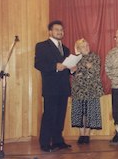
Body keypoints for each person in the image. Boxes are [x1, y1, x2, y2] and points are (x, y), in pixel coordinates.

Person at [34, 20, 72, 152]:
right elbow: (38, 64)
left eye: (61, 30)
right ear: (50, 31)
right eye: (57, 29)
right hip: (51, 87)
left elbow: (67, 68)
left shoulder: (66, 49)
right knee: (49, 115)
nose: (60, 32)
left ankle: (58, 141)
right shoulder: (42, 46)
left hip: (64, 87)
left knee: (60, 115)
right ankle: (45, 143)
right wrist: (55, 66)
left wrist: (73, 69)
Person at [71, 38, 104, 144]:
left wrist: (80, 68)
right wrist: (84, 67)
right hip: (78, 90)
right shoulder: (75, 58)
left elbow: (94, 71)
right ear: (78, 49)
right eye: (83, 46)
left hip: (91, 89)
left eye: (87, 45)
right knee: (80, 112)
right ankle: (81, 134)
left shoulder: (94, 57)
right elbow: (72, 71)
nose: (87, 47)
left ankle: (87, 134)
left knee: (90, 111)